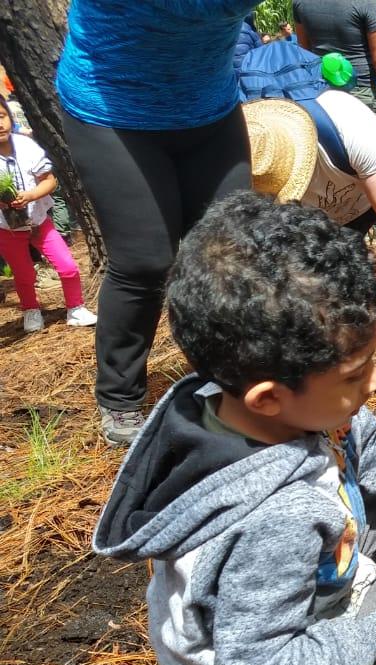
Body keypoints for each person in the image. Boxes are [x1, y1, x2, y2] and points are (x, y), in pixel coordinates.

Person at [93, 193, 376, 665]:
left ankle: (335, 613)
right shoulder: (280, 519)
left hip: (250, 604)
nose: (374, 384)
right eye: (355, 375)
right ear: (267, 398)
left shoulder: (238, 399)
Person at [56, 0, 259, 446]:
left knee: (232, 250)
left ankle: (229, 378)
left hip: (210, 105)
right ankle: (121, 397)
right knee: (144, 262)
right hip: (113, 109)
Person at [243, 94, 376, 309]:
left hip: (372, 188)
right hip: (323, 225)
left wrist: (367, 298)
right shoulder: (248, 166)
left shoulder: (342, 121)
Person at [0, 98, 96, 333]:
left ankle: (75, 308)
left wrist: (31, 195)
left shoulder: (26, 145)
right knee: (24, 275)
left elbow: (49, 181)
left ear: (9, 118)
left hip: (39, 222)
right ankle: (31, 309)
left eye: (1, 117)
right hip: (7, 229)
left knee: (68, 267)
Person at [293, 0, 376, 125]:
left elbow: (304, 52)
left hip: (323, 90)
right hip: (361, 89)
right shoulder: (367, 3)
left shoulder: (300, 3)